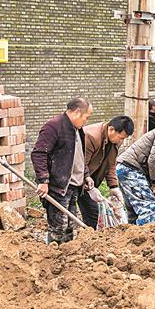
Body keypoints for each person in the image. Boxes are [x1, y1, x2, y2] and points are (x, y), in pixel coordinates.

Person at [30, 97, 94, 244]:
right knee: (58, 228)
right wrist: (43, 180)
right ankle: (53, 258)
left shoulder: (77, 130)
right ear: (77, 112)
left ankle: (68, 258)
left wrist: (86, 175)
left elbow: (78, 156)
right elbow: (39, 153)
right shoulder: (54, 127)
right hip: (58, 188)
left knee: (70, 226)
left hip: (74, 187)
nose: (86, 121)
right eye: (86, 117)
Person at [79, 115, 132, 228]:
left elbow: (111, 163)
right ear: (111, 129)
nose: (121, 141)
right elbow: (81, 165)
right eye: (121, 137)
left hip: (90, 181)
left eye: (123, 138)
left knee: (94, 214)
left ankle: (92, 237)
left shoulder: (115, 141)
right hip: (75, 179)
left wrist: (113, 186)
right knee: (90, 213)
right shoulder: (91, 137)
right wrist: (90, 188)